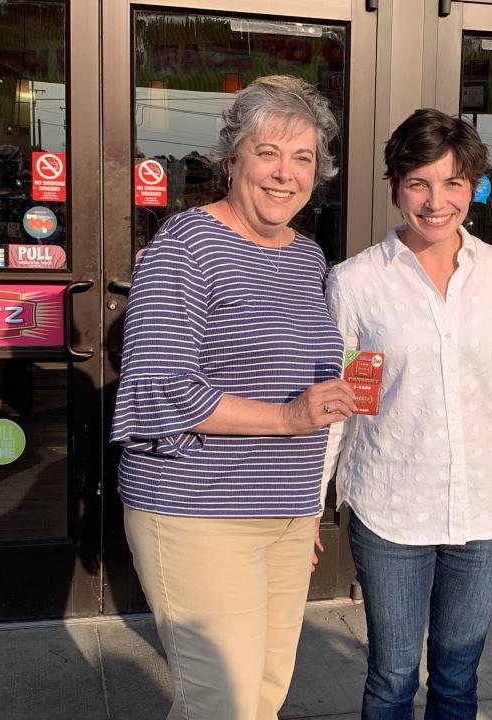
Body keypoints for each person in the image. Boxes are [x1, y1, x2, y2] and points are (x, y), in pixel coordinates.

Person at [110, 75, 356, 720]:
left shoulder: (307, 257)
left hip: (284, 514)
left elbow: (313, 381)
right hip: (197, 510)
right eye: (268, 152)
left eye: (302, 158)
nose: (285, 174)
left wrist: (303, 507)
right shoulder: (185, 245)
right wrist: (285, 417)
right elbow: (161, 385)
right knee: (221, 704)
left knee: (265, 697)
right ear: (232, 159)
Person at [324, 108, 492, 719]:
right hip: (390, 507)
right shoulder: (355, 281)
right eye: (419, 183)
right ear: (395, 188)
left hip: (484, 507)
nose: (437, 202)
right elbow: (337, 403)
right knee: (392, 675)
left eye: (454, 183)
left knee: (459, 677)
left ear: (474, 188)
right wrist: (314, 502)